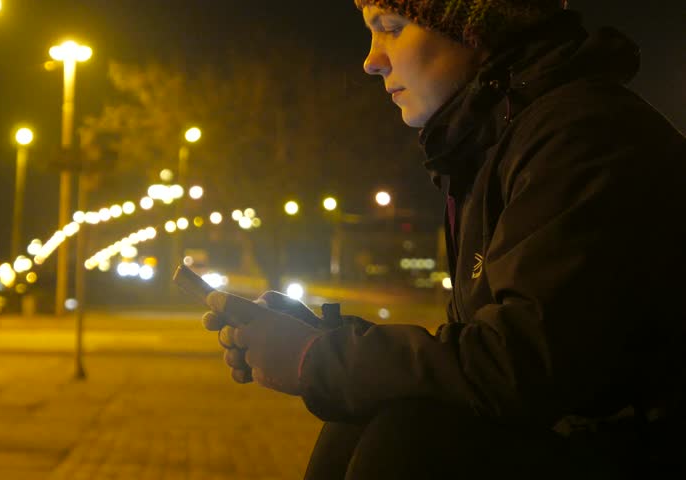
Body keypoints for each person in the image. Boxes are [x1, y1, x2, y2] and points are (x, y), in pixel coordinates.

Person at [200, 0, 686, 478]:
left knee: (414, 435)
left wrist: (315, 360)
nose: (372, 60)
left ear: (477, 25)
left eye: (391, 26)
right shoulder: (497, 146)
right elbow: (481, 354)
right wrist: (326, 339)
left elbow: (519, 370)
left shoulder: (583, 135)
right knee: (370, 414)